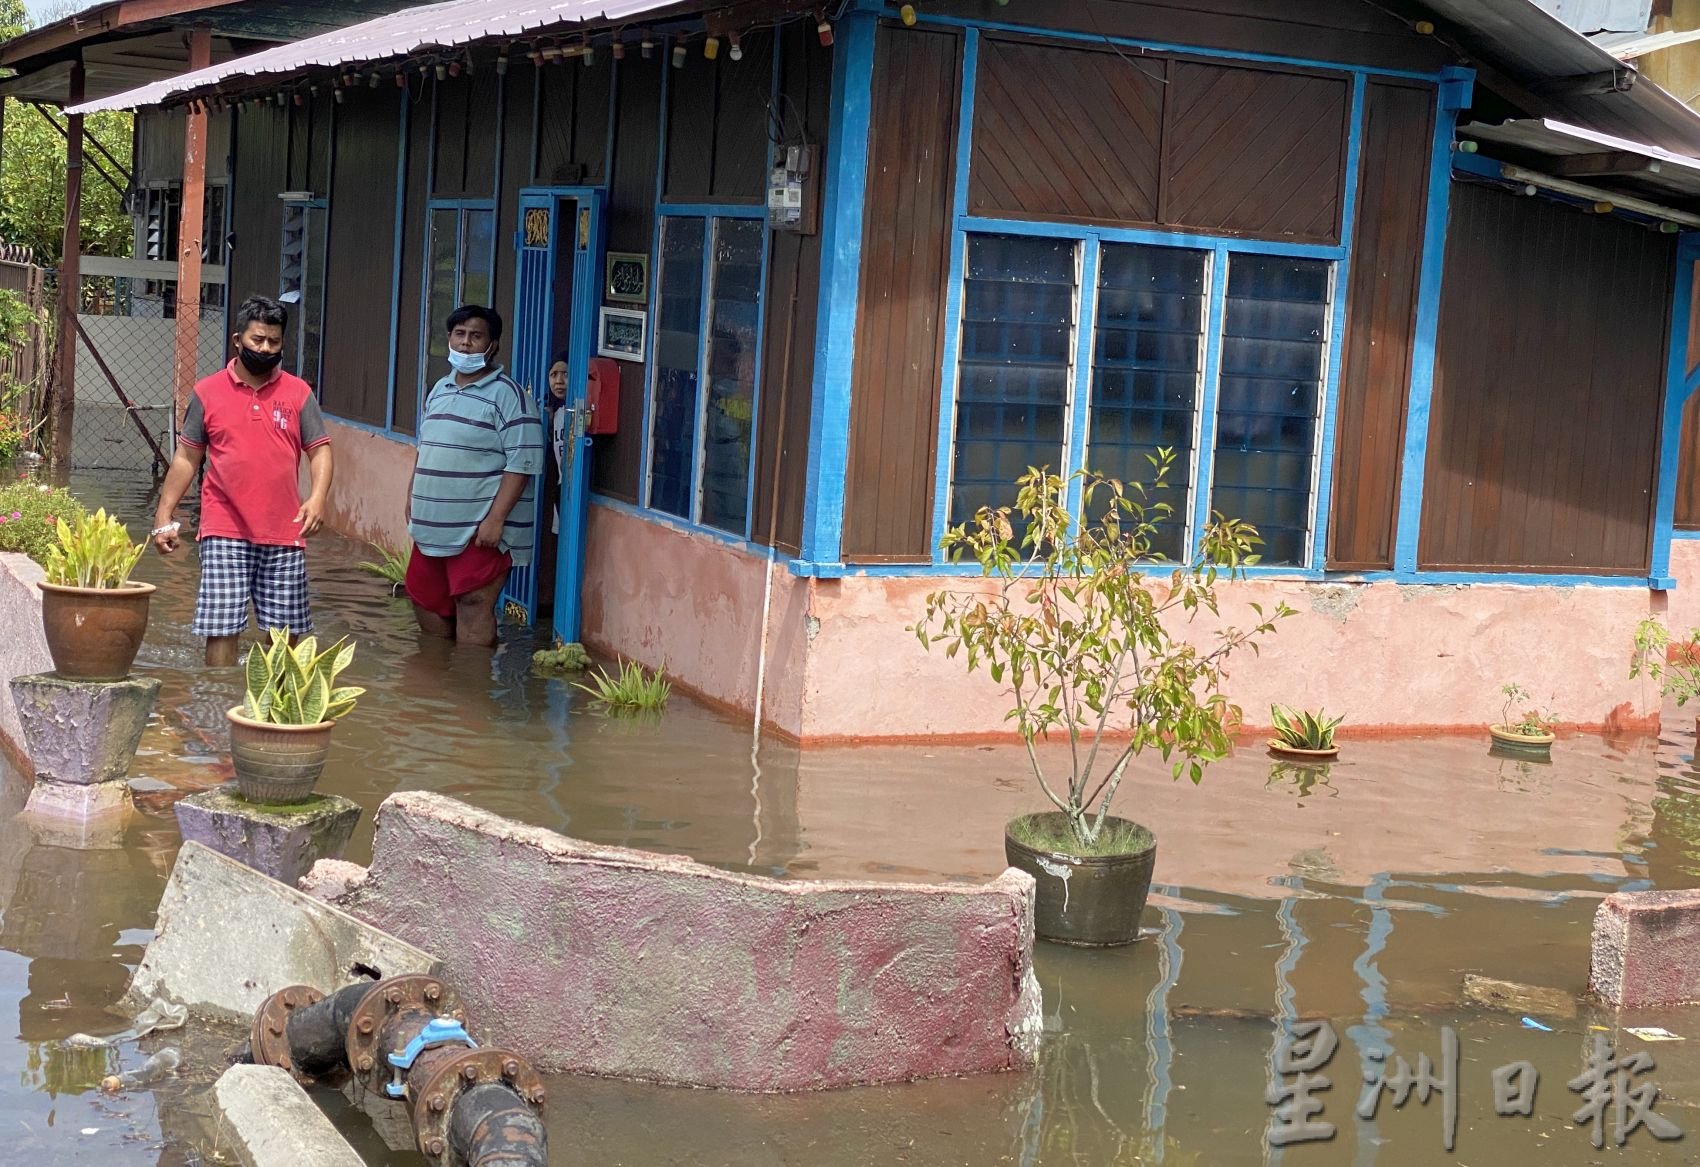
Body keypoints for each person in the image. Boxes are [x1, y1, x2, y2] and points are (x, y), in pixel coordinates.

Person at [152, 295, 333, 667]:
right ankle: (217, 709)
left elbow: (320, 451)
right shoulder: (207, 392)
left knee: (285, 634)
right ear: (238, 340)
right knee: (221, 627)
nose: (265, 348)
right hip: (223, 527)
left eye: (274, 342)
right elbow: (187, 457)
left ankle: (274, 711)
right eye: (257, 340)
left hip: (285, 529)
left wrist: (317, 498)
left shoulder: (299, 394)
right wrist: (163, 515)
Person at [405, 305, 543, 647]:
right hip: (431, 526)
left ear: (492, 345)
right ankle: (440, 689)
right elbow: (425, 449)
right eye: (459, 335)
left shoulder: (510, 397)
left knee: (474, 604)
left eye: (476, 336)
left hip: (479, 530)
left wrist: (496, 519)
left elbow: (522, 463)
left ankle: (471, 687)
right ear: (449, 339)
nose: (466, 344)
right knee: (425, 602)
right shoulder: (439, 389)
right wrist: (411, 497)